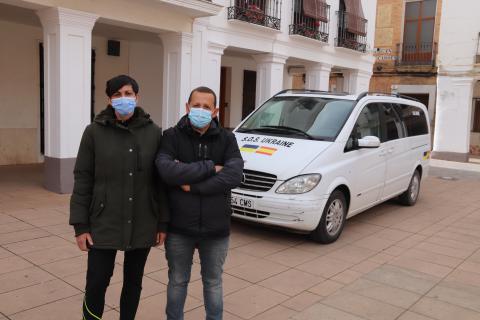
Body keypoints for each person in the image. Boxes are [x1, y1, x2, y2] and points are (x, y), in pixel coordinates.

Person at [69, 75, 169, 320]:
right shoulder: (93, 132)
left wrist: (162, 222)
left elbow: (160, 182)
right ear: (109, 99)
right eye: (117, 94)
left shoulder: (154, 133)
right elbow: (83, 178)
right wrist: (80, 225)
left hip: (142, 220)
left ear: (137, 97)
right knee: (96, 282)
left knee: (134, 282)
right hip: (104, 220)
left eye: (128, 93)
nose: (123, 98)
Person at [156, 86, 243, 320]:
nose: (200, 110)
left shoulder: (227, 138)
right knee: (177, 281)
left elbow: (234, 175)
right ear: (187, 107)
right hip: (179, 228)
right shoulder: (171, 136)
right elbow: (166, 171)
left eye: (206, 107)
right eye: (196, 105)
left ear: (215, 111)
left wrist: (192, 185)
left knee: (213, 283)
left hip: (216, 229)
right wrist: (210, 168)